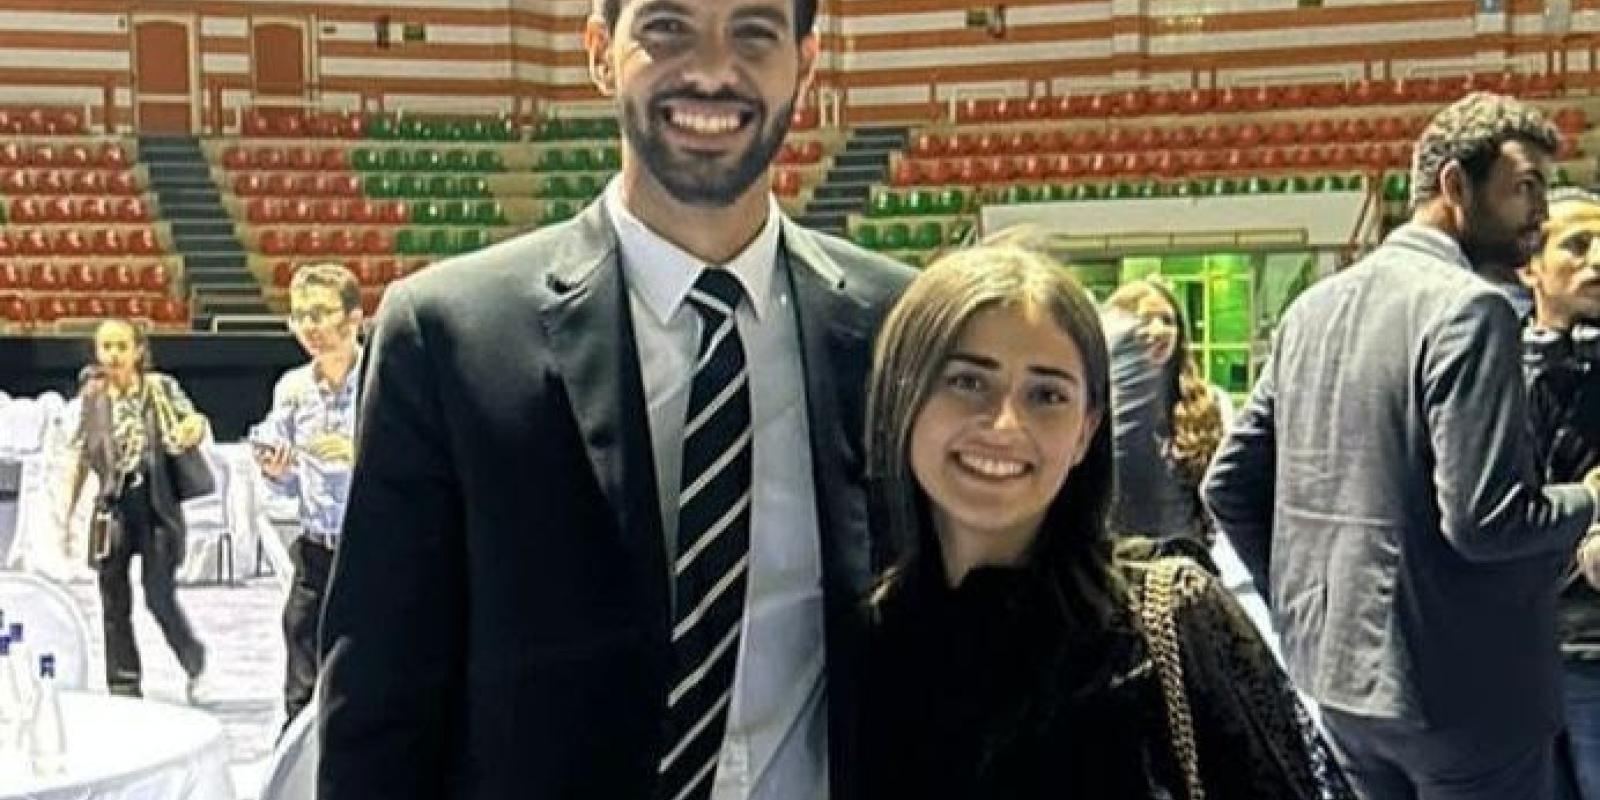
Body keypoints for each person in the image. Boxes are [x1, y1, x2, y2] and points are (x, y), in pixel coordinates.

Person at [314, 0, 913, 796]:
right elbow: (380, 703)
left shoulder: (898, 331)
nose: (710, 67)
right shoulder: (449, 336)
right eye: (667, 27)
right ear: (600, 52)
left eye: (754, 32)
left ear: (805, 61)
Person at [1205, 91, 1600, 800]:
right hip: (1464, 695)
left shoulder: (1312, 306)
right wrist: (1585, 499)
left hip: (1339, 685)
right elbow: (1488, 523)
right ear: (1455, 185)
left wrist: (1307, 604)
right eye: (1525, 187)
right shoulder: (1469, 308)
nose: (1540, 213)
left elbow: (1228, 485)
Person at [860, 245, 1350, 799]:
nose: (1003, 424)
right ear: (903, 393)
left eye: (1046, 394)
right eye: (968, 382)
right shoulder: (864, 644)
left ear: (1086, 431)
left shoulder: (1169, 618)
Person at [61, 318, 212, 702]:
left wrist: (189, 430)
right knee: (112, 599)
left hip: (156, 504)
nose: (113, 354)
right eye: (106, 346)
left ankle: (193, 658)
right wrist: (67, 513)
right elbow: (80, 455)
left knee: (158, 595)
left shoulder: (159, 389)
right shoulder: (92, 398)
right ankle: (124, 686)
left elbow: (193, 421)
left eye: (120, 346)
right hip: (113, 507)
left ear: (138, 350)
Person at [250, 263, 363, 728]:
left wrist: (359, 453)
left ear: (354, 318)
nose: (310, 327)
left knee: (367, 666)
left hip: (371, 547)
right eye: (300, 316)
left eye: (321, 313)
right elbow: (289, 478)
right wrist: (275, 469)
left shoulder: (385, 377)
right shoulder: (292, 387)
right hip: (315, 547)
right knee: (300, 665)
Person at [1519, 188, 1600, 799]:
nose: (1598, 258)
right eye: (1577, 245)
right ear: (1531, 267)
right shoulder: (1491, 368)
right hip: (1514, 649)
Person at [1104, 278, 1224, 547]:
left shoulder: (1204, 405)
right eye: (1144, 320)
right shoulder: (1095, 405)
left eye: (1167, 321)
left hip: (1182, 565)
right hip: (1113, 563)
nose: (1159, 330)